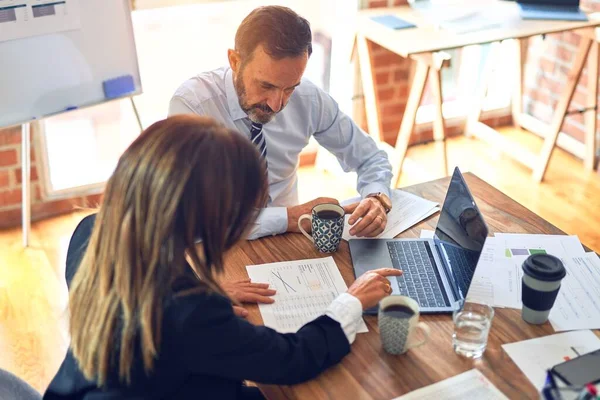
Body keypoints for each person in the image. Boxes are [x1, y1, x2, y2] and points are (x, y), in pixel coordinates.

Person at [44, 115, 402, 400]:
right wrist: (350, 302)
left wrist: (202, 292)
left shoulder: (92, 233)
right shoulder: (189, 311)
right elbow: (291, 359)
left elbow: (159, 309)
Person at [169, 6, 394, 241]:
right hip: (218, 246)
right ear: (235, 61)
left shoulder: (307, 98)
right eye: (266, 86)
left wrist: (376, 196)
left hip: (289, 239)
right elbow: (193, 217)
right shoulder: (192, 106)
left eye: (289, 88)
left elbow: (370, 158)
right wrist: (287, 218)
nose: (277, 105)